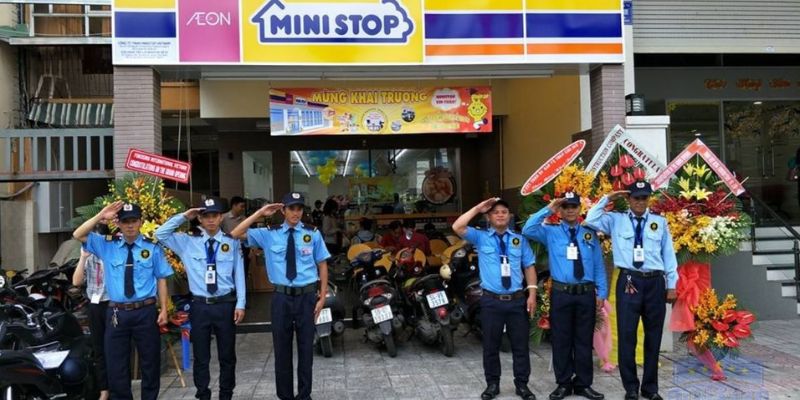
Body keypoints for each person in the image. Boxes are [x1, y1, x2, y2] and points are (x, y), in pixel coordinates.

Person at [230, 192, 330, 400]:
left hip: (306, 297)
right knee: (282, 351)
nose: (296, 213)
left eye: (299, 208)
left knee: (306, 349)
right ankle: (285, 396)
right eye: (291, 208)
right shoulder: (269, 234)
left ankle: (304, 396)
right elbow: (235, 233)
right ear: (283, 210)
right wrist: (260, 212)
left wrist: (322, 297)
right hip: (281, 298)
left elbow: (322, 264)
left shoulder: (312, 233)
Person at [584, 181, 678, 400]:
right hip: (629, 280)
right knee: (627, 335)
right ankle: (631, 388)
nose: (640, 202)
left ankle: (650, 388)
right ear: (628, 199)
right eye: (636, 197)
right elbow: (591, 219)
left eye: (644, 198)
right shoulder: (615, 220)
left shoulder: (659, 222)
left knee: (653, 336)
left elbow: (668, 254)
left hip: (655, 282)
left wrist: (672, 284)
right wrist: (609, 197)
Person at [72, 202, 172, 400]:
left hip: (145, 312)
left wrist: (163, 309)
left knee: (150, 362)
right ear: (118, 224)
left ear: (141, 222)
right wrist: (101, 215)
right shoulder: (107, 245)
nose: (130, 225)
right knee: (116, 365)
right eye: (125, 221)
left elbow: (161, 278)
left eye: (134, 221)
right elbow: (78, 234)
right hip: (117, 313)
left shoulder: (152, 247)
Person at [155, 197, 246, 400]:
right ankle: (203, 394)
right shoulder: (187, 242)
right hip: (200, 306)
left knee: (227, 355)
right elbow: (160, 234)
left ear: (221, 217)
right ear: (200, 219)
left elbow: (239, 274)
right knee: (201, 356)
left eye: (215, 215)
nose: (211, 220)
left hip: (225, 304)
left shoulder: (231, 242)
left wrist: (241, 303)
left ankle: (226, 394)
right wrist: (184, 216)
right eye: (206, 216)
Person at [522, 192, 607, 400]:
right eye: (565, 206)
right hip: (561, 294)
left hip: (585, 293)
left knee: (584, 340)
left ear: (579, 209)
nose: (570, 210)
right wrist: (548, 209)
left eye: (573, 206)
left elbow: (598, 264)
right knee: (561, 340)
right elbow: (527, 229)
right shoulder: (550, 232)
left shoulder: (589, 234)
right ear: (560, 210)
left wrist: (602, 291)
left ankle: (583, 384)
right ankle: (563, 384)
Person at [452, 198, 537, 400]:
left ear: (509, 216)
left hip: (516, 300)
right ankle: (492, 384)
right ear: (489, 217)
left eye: (504, 212)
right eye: (496, 212)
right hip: (491, 301)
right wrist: (477, 208)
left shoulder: (519, 240)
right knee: (490, 346)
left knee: (520, 346)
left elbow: (529, 266)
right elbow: (457, 226)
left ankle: (522, 385)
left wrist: (532, 294)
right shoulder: (481, 237)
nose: (500, 215)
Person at [72, 230, 111, 400]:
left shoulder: (112, 253)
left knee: (115, 347)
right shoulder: (89, 257)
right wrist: (83, 258)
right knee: (98, 347)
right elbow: (76, 281)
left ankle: (117, 386)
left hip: (112, 303)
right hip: (95, 305)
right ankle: (104, 389)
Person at [222, 196, 251, 290]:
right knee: (229, 270)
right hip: (227, 248)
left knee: (243, 270)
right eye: (241, 206)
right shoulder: (223, 218)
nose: (243, 209)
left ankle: (241, 293)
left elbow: (249, 234)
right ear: (234, 206)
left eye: (244, 207)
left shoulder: (244, 219)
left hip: (243, 247)